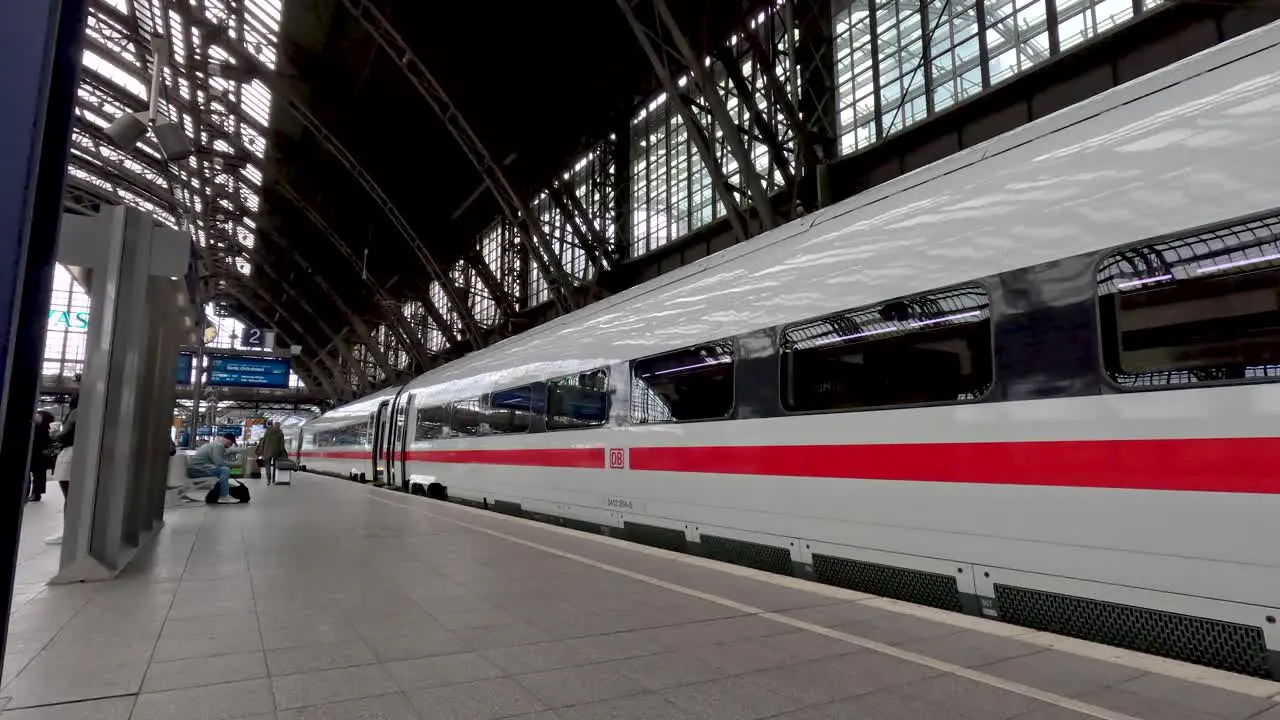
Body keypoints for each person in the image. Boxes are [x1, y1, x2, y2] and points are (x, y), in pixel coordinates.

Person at [45, 397, 78, 545]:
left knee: (69, 497)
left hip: (69, 455)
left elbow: (65, 435)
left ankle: (67, 532)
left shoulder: (76, 412)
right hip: (79, 453)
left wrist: (54, 435)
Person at [187, 433, 239, 504]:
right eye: (231, 443)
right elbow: (219, 462)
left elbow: (215, 462)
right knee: (225, 470)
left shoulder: (213, 444)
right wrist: (234, 465)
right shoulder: (218, 445)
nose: (230, 445)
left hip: (194, 469)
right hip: (198, 470)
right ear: (229, 441)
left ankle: (224, 490)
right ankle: (223, 496)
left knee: (222, 471)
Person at [26, 411, 54, 502]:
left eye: (38, 416)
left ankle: (36, 494)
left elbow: (42, 441)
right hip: (37, 453)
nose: (36, 417)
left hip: (39, 453)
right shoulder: (38, 428)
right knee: (37, 474)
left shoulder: (41, 428)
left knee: (38, 474)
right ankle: (34, 494)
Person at [258, 420, 287, 485]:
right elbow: (282, 445)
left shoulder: (267, 431)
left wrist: (262, 451)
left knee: (267, 466)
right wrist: (283, 453)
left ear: (273, 425)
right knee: (275, 466)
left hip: (267, 452)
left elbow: (263, 441)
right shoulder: (280, 433)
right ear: (279, 426)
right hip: (276, 452)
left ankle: (268, 480)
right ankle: (273, 480)